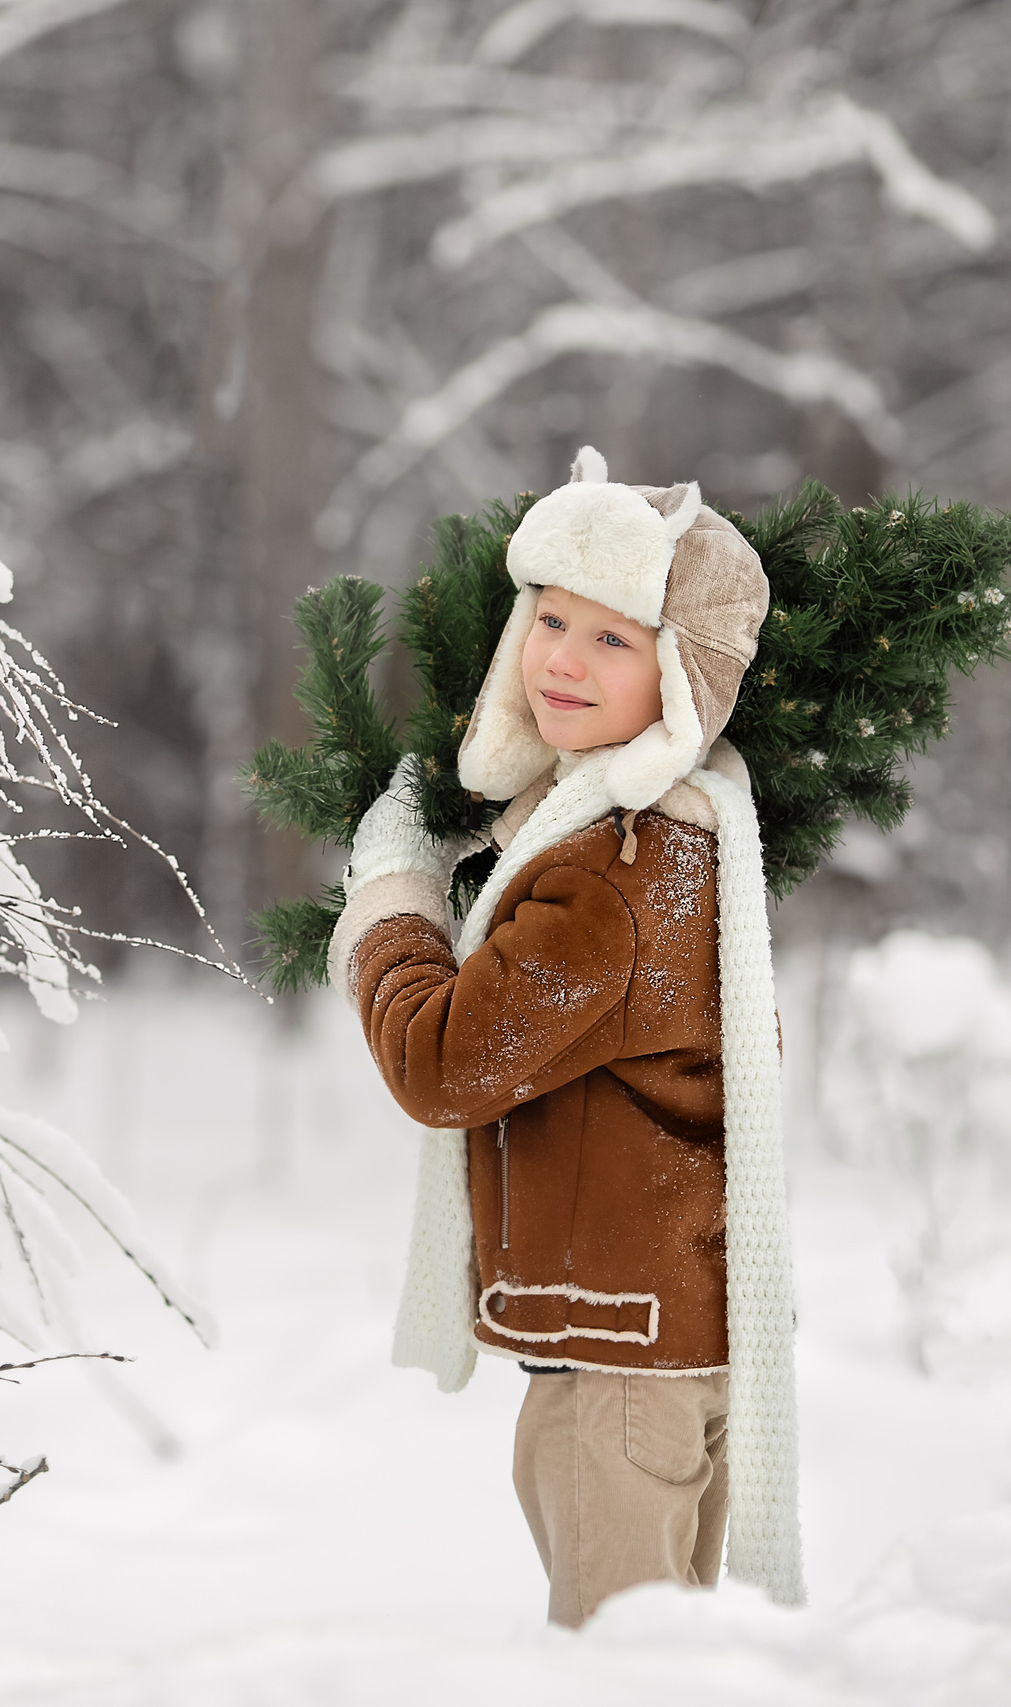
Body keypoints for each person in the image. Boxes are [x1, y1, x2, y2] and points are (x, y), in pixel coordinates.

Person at [324, 448, 805, 1623]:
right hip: (670, 1337)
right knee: (667, 1655)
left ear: (679, 677)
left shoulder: (608, 876)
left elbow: (445, 1065)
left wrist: (393, 896)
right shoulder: (681, 837)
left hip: (619, 1371)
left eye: (612, 640)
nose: (562, 661)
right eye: (548, 619)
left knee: (612, 1661)